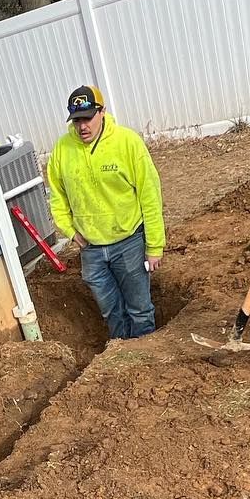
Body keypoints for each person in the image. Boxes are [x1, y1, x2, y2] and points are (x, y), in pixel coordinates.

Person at [46, 84, 166, 340]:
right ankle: (119, 358)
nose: (82, 127)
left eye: (87, 118)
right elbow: (57, 196)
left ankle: (145, 360)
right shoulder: (62, 150)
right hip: (91, 249)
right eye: (76, 120)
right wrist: (70, 231)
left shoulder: (127, 143)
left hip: (129, 242)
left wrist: (154, 245)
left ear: (101, 112)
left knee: (140, 310)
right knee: (111, 311)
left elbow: (150, 195)